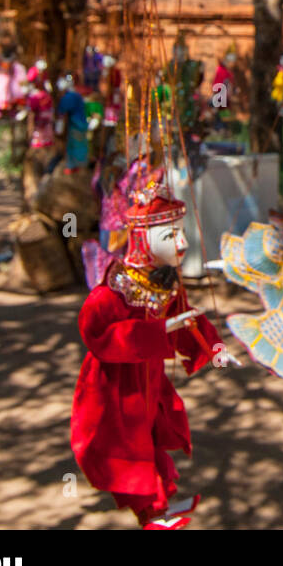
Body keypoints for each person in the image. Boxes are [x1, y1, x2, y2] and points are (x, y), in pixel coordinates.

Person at [70, 180, 224, 529]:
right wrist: (158, 332)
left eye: (179, 234)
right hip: (118, 384)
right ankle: (152, 511)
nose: (182, 244)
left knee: (152, 434)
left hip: (148, 375)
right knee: (131, 443)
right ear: (142, 240)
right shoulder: (111, 291)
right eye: (170, 237)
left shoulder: (162, 282)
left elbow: (185, 319)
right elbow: (96, 334)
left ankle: (161, 505)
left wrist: (214, 348)